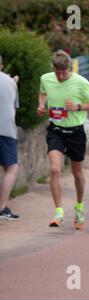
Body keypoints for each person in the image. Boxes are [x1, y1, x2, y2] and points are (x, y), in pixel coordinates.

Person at [37, 50, 89, 229]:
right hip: (55, 130)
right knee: (55, 169)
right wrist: (42, 105)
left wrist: (78, 106)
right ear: (53, 69)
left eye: (64, 72)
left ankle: (79, 207)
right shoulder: (46, 78)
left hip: (76, 132)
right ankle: (58, 212)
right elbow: (42, 93)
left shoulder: (81, 82)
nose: (61, 76)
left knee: (77, 173)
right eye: (58, 72)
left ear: (69, 69)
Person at [0, 54, 20, 220]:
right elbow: (14, 109)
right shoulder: (10, 82)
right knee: (11, 168)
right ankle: (1, 207)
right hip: (6, 130)